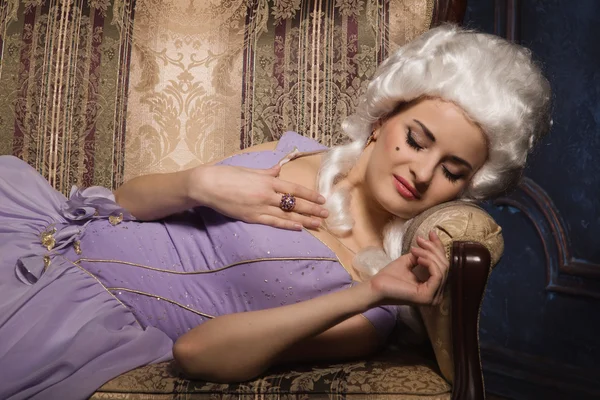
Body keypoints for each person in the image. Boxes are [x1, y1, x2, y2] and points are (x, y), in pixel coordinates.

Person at [0, 24, 551, 399]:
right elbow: (120, 203)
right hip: (33, 233)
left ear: (462, 188)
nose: (423, 172)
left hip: (72, 321)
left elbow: (196, 354)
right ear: (384, 120)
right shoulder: (293, 151)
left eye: (452, 170)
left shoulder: (371, 304)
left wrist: (373, 292)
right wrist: (203, 183)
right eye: (418, 138)